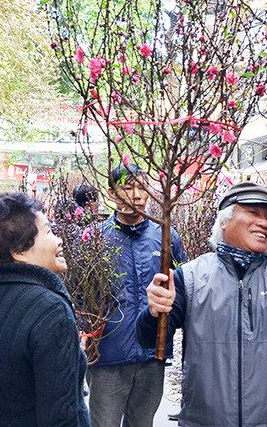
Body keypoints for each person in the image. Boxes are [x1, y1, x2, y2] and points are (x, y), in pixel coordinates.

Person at [140, 181, 267, 426]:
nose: (264, 223)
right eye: (253, 213)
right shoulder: (190, 277)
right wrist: (154, 311)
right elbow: (150, 339)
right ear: (224, 221)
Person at [0, 193, 90, 426]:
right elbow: (61, 416)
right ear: (19, 251)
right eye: (49, 232)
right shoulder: (51, 310)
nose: (59, 240)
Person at [86, 164, 186, 427]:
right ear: (111, 193)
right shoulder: (95, 239)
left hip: (154, 353)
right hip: (108, 355)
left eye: (142, 188)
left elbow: (182, 289)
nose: (137, 196)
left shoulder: (166, 236)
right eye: (128, 188)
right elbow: (79, 297)